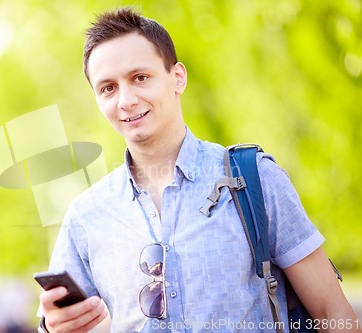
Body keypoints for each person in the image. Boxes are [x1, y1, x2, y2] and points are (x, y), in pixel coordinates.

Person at [38, 7, 360, 333]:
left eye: (140, 78)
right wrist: (54, 327)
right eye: (108, 88)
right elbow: (56, 325)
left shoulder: (255, 179)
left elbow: (332, 312)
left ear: (177, 77)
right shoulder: (86, 216)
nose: (126, 100)